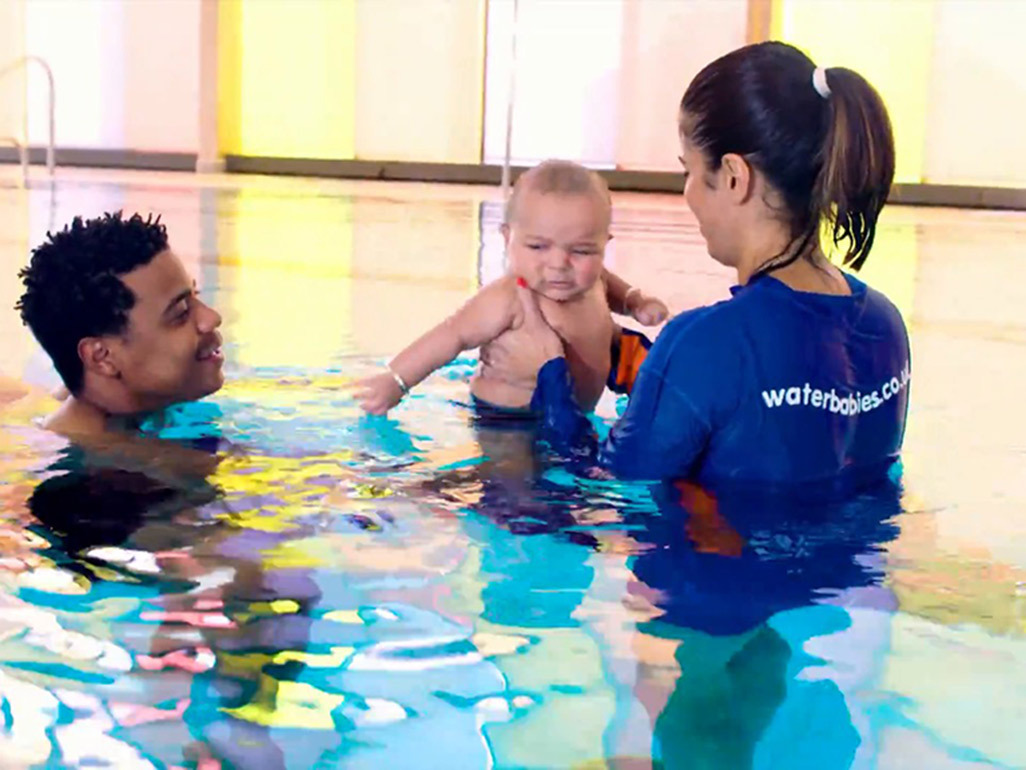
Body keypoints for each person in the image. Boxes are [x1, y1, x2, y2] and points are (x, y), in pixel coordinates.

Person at [500, 42, 911, 493]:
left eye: (688, 171)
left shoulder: (705, 343)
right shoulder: (886, 323)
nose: (688, 193)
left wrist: (550, 376)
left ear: (734, 176)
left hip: (724, 562)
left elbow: (602, 488)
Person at [354, 159, 668, 417]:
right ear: (507, 239)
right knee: (513, 482)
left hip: (573, 414)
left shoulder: (593, 280)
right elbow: (451, 335)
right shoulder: (508, 298)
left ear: (603, 246)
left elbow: (612, 287)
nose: (559, 263)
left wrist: (635, 302)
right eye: (537, 246)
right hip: (509, 419)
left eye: (582, 251)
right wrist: (396, 381)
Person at [15, 212, 225, 441]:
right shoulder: (110, 470)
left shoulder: (95, 397)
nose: (211, 317)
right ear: (102, 357)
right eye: (181, 312)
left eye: (195, 295)